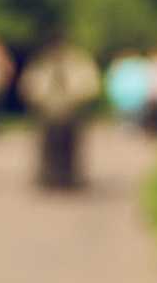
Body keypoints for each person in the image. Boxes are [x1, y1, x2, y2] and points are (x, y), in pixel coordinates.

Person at [17, 34, 98, 190]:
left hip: (71, 109)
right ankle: (48, 175)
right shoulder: (43, 64)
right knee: (48, 146)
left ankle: (70, 176)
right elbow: (30, 84)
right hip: (48, 109)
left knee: (71, 146)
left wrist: (79, 97)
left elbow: (89, 83)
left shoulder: (77, 62)